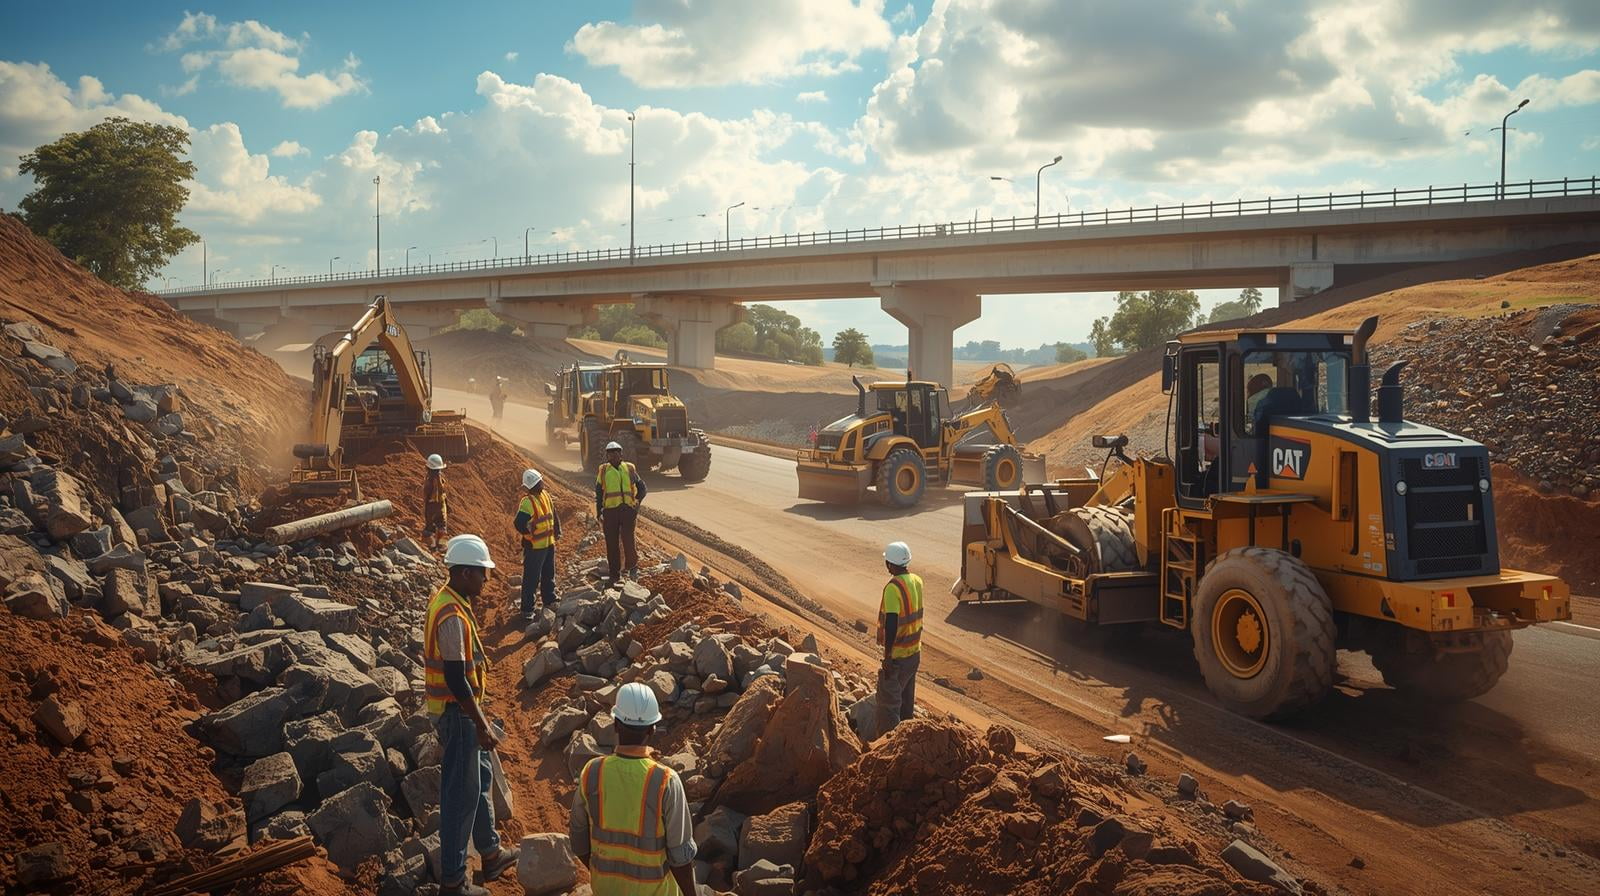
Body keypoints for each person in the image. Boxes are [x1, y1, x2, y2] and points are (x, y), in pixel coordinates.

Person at [424, 535, 517, 895]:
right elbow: (454, 677)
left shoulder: (454, 602)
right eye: (482, 573)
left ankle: (490, 853)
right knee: (459, 800)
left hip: (461, 712)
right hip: (457, 714)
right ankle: (453, 881)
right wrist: (480, 723)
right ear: (464, 573)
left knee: (479, 781)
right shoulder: (449, 612)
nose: (486, 580)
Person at [570, 682, 697, 896]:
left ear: (616, 724)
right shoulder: (666, 780)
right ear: (652, 729)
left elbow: (578, 842)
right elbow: (680, 858)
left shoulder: (592, 772)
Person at [875, 541, 923, 733]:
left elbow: (892, 623)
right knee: (906, 704)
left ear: (890, 564)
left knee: (888, 707)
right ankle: (907, 741)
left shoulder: (893, 588)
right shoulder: (917, 581)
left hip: (898, 657)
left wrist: (887, 657)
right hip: (915, 653)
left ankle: (887, 746)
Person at [594, 441, 646, 585]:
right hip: (610, 513)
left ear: (621, 454)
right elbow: (598, 493)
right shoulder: (603, 471)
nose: (614, 455)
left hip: (627, 511)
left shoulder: (629, 468)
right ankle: (614, 575)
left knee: (628, 540)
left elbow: (642, 488)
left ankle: (632, 568)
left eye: (617, 452)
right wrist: (599, 512)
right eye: (611, 453)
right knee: (612, 545)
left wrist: (636, 503)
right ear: (607, 455)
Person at [514, 468, 560, 617]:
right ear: (534, 485)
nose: (543, 482)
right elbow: (518, 523)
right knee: (531, 578)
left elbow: (553, 513)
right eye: (540, 481)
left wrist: (557, 531)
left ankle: (549, 599)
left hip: (548, 543)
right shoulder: (527, 503)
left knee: (549, 573)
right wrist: (528, 536)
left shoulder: (545, 495)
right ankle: (527, 609)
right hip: (534, 547)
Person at [422, 454, 449, 550]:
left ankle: (431, 545)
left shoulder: (429, 481)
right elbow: (444, 494)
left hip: (431, 507)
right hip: (441, 506)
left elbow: (426, 496)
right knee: (442, 526)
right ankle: (441, 545)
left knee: (429, 526)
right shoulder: (441, 479)